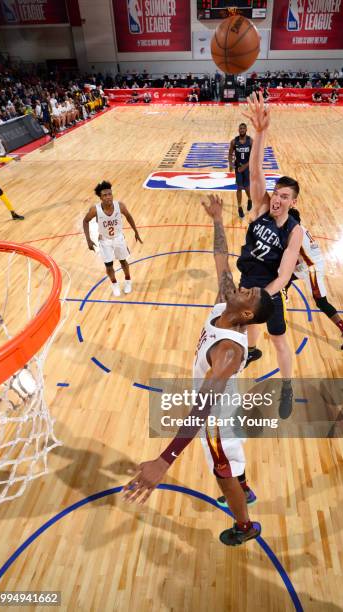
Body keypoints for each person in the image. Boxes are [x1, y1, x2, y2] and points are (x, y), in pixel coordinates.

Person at [123, 193, 275, 546]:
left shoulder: (228, 352)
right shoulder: (226, 302)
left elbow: (202, 409)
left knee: (223, 470)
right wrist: (218, 220)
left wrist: (164, 460)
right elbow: (221, 259)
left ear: (248, 314)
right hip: (221, 405)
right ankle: (245, 487)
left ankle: (245, 525)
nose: (243, 288)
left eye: (249, 293)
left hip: (216, 419)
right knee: (232, 462)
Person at [238, 92, 303, 418]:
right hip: (248, 280)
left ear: (292, 202)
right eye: (277, 193)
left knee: (278, 342)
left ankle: (287, 387)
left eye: (284, 196)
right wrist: (260, 133)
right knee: (247, 325)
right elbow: (254, 171)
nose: (277, 199)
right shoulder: (261, 207)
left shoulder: (294, 230)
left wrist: (262, 296)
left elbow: (284, 275)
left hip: (271, 290)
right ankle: (251, 351)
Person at [285, 208, 343, 350]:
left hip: (312, 269)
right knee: (284, 275)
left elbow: (294, 258)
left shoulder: (294, 234)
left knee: (321, 303)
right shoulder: (300, 228)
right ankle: (284, 295)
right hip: (308, 263)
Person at [82, 181, 143, 296]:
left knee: (123, 261)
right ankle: (114, 284)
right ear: (100, 198)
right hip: (105, 240)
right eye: (105, 195)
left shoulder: (119, 206)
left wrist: (136, 231)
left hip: (119, 238)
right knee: (108, 265)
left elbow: (129, 217)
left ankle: (128, 281)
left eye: (110, 194)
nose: (108, 197)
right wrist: (88, 239)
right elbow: (85, 221)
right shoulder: (95, 210)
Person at [228, 123, 253, 219]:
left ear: (246, 129)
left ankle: (250, 199)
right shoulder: (234, 141)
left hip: (247, 167)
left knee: (247, 187)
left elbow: (254, 157)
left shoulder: (250, 141)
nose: (242, 130)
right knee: (239, 187)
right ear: (238, 130)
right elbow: (230, 154)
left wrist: (245, 166)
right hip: (238, 167)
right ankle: (239, 207)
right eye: (240, 128)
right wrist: (230, 164)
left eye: (243, 128)